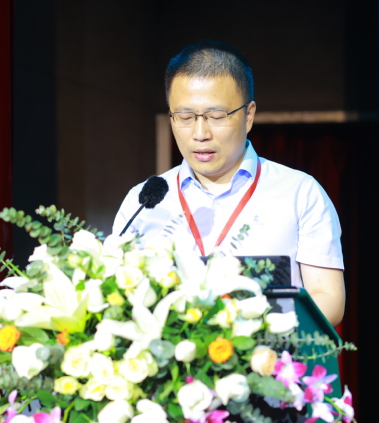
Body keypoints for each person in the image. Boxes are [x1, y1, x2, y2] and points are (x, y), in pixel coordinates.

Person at [112, 40, 345, 326]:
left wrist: (257, 334)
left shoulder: (300, 192)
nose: (200, 133)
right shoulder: (143, 201)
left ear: (248, 116)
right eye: (185, 117)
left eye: (216, 116)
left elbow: (328, 297)